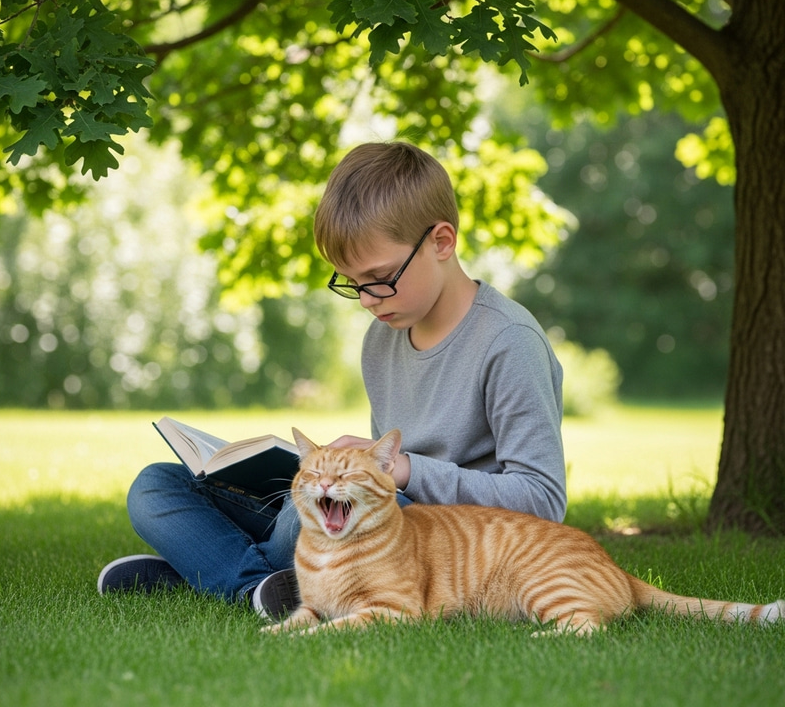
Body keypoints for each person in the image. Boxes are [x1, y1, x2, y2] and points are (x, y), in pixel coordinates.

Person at [97, 141, 567, 619]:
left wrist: (404, 468)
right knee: (155, 487)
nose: (367, 299)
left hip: (432, 538)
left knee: (304, 522)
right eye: (351, 283)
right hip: (362, 515)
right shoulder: (382, 338)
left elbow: (543, 501)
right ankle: (258, 581)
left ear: (441, 242)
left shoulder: (510, 342)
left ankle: (210, 573)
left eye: (379, 278)